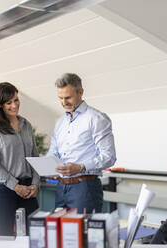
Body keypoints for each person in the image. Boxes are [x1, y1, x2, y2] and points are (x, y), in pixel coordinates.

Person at [47, 73, 116, 213]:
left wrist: (80, 167)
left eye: (68, 97)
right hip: (61, 188)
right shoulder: (60, 122)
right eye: (60, 98)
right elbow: (53, 152)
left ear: (80, 92)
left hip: (85, 188)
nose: (64, 102)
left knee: (83, 234)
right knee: (59, 233)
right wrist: (48, 164)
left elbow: (109, 156)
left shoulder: (96, 118)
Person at [0, 82, 40, 235]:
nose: (14, 105)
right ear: (0, 105)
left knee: (34, 236)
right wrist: (15, 186)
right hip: (3, 189)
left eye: (16, 100)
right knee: (5, 238)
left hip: (28, 189)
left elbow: (35, 157)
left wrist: (35, 184)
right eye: (9, 102)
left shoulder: (26, 124)